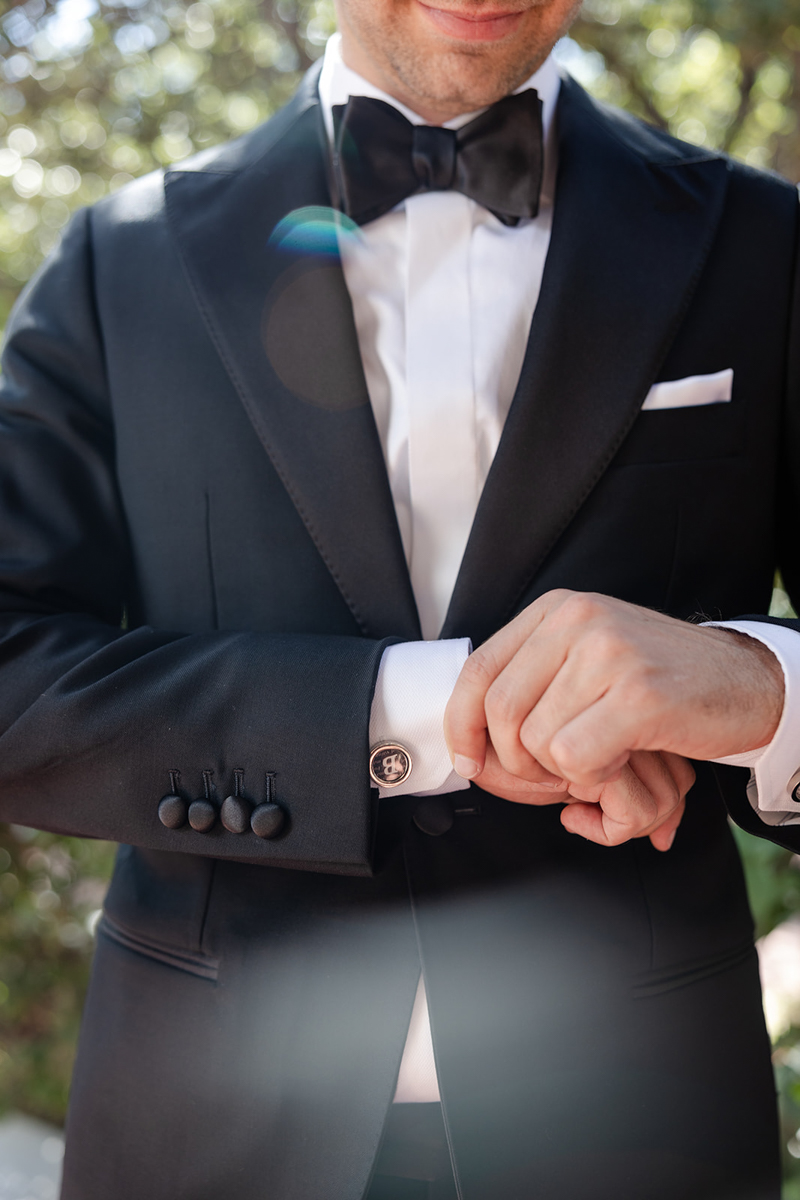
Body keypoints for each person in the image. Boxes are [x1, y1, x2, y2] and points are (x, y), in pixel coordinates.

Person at [0, 0, 798, 1196]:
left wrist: (753, 689)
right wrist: (416, 713)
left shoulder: (760, 243)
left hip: (643, 1133)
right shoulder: (122, 259)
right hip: (203, 1130)